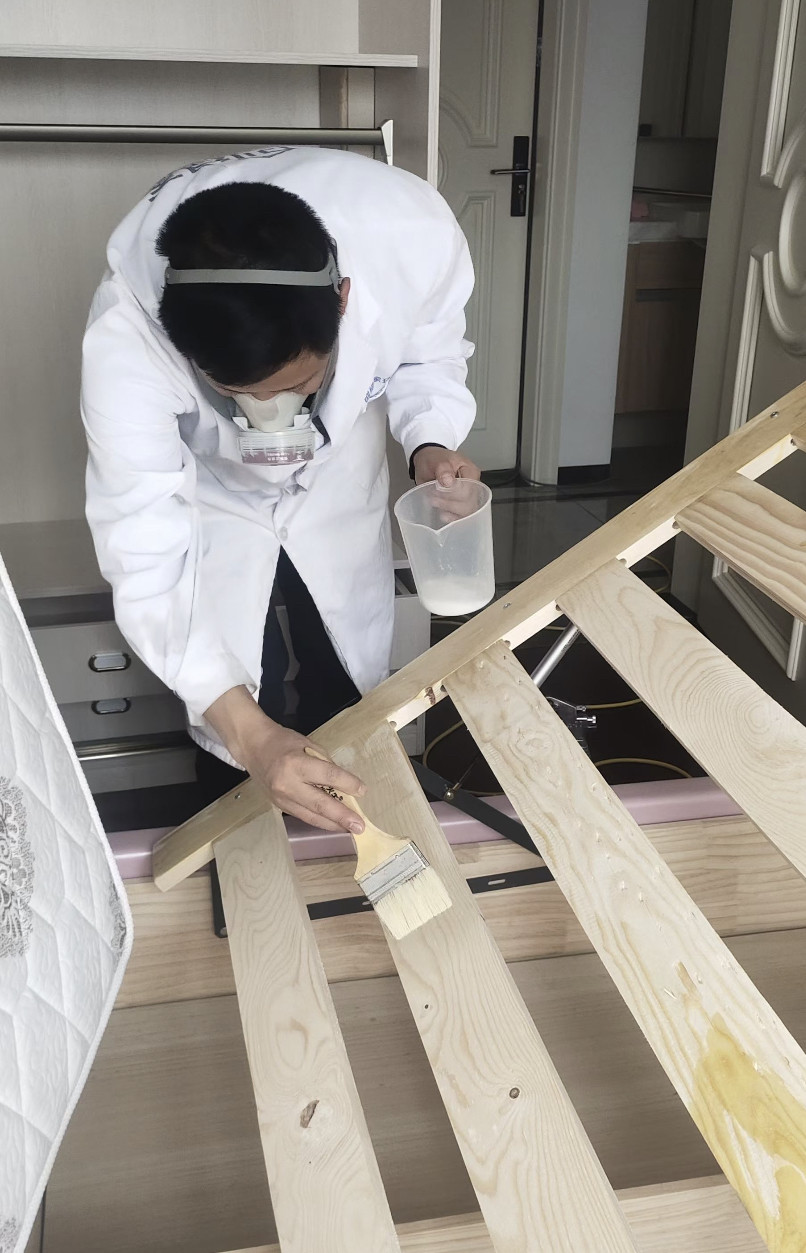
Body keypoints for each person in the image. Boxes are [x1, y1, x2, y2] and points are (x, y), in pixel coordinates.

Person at [81, 145, 479, 834]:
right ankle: (242, 830)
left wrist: (430, 442)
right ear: (181, 344)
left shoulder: (412, 236)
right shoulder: (129, 335)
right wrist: (251, 737)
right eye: (240, 393)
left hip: (338, 474)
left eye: (298, 386)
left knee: (345, 677)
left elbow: (429, 352)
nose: (273, 416)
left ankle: (352, 833)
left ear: (343, 299)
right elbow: (143, 553)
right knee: (234, 700)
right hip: (214, 491)